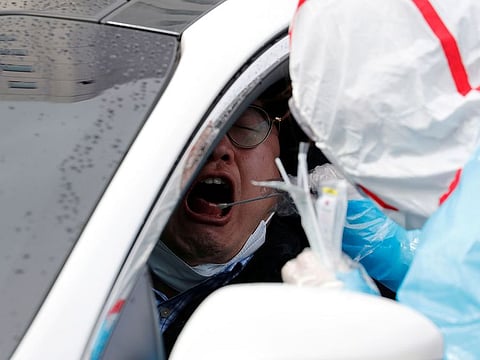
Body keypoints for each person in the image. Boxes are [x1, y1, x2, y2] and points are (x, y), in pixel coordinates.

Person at [148, 80, 314, 354]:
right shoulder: (71, 266)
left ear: (281, 172)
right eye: (194, 126)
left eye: (246, 123)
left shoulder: (314, 303)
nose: (219, 147)